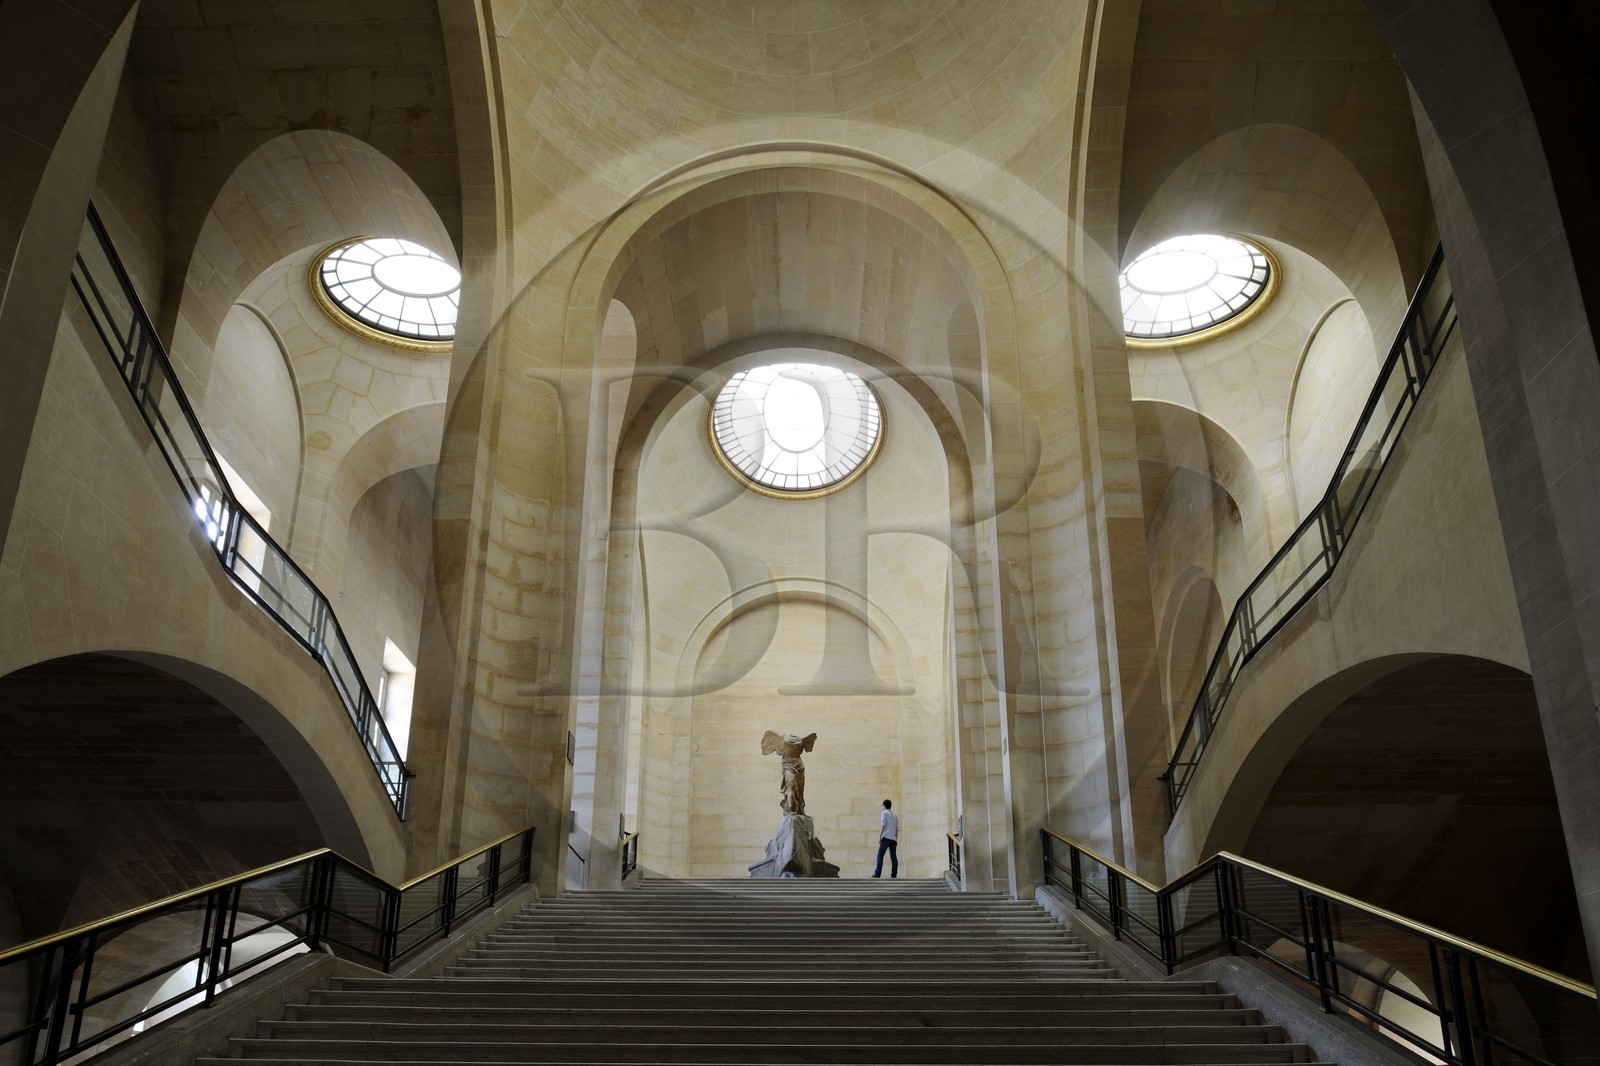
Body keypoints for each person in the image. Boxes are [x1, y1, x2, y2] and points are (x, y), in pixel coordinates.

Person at [873, 799, 898, 878]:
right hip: (893, 839)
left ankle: (877, 874)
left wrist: (879, 837)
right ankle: (894, 874)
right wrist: (896, 839)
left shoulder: (884, 813)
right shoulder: (895, 816)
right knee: (893, 857)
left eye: (882, 806)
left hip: (886, 837)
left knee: (880, 855)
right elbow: (897, 829)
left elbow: (883, 825)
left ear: (884, 805)